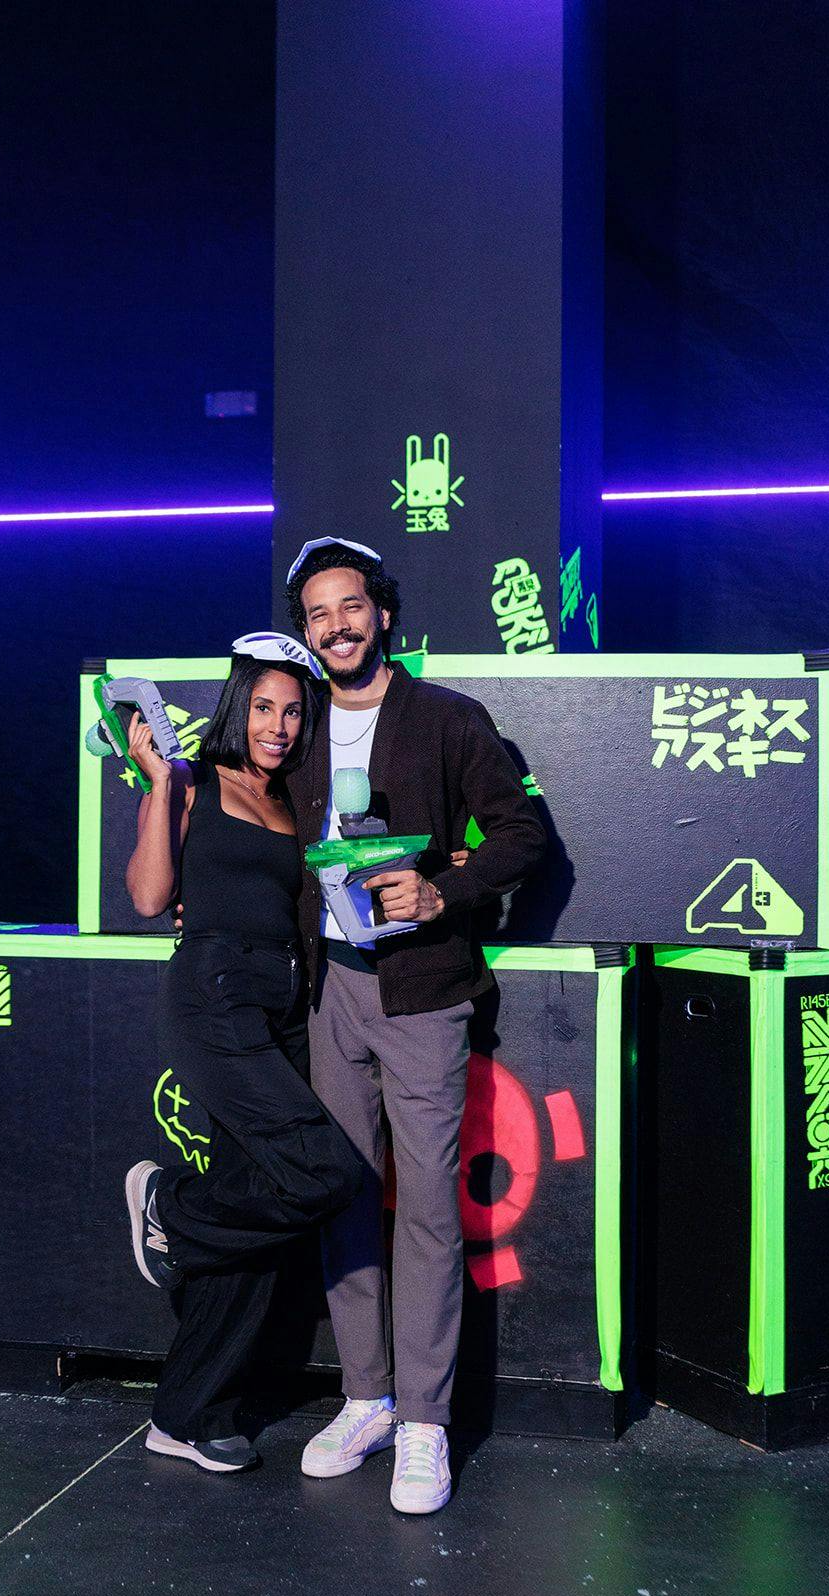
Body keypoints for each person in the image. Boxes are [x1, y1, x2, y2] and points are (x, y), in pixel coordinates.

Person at [283, 538, 547, 1514]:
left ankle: (425, 1421)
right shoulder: (296, 724)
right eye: (317, 614)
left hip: (423, 992)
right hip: (329, 989)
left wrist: (442, 892)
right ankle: (366, 1398)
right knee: (344, 1200)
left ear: (382, 613)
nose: (336, 627)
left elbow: (520, 833)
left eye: (350, 606)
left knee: (429, 1207)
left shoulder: (444, 717)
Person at [123, 632, 363, 1474]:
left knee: (257, 1213)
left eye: (293, 712)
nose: (278, 726)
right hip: (215, 993)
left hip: (286, 1001)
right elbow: (149, 897)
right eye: (264, 707)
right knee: (325, 1173)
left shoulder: (298, 799)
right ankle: (170, 1206)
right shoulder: (192, 781)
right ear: (238, 706)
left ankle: (185, 1415)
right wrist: (160, 783)